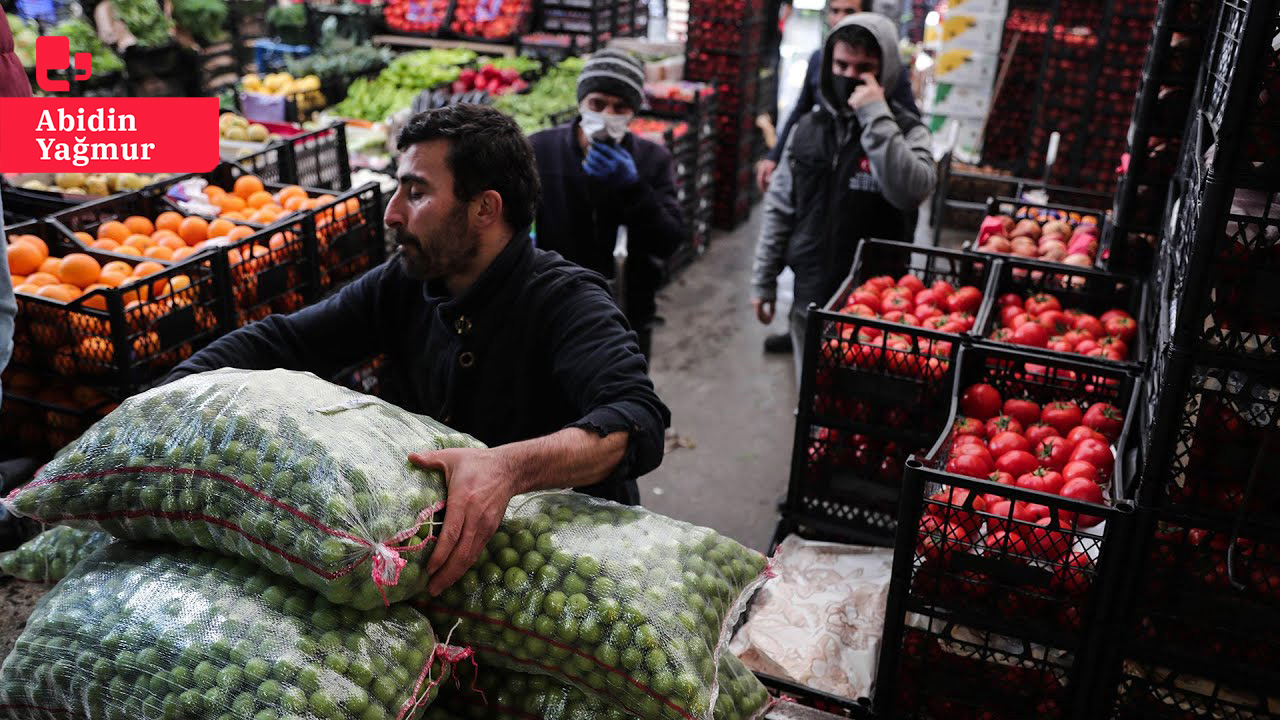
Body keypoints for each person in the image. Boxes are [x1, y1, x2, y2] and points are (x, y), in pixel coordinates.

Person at [165, 104, 672, 595]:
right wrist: (161, 399)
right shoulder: (406, 283)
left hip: (568, 570)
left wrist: (508, 468)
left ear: (484, 209)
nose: (392, 212)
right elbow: (286, 340)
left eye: (417, 193)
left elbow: (635, 421)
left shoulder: (567, 299)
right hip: (449, 563)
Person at [751, 13, 937, 385]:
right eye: (841, 65)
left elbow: (910, 190)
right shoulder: (807, 129)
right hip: (811, 290)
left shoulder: (908, 131)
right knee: (811, 398)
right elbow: (781, 207)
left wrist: (875, 116)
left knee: (859, 398)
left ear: (884, 73)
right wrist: (764, 279)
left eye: (864, 68)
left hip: (875, 301)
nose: (849, 75)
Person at [529, 49, 686, 362]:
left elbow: (669, 240)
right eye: (597, 104)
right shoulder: (540, 149)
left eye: (619, 107)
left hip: (626, 310)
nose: (606, 115)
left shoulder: (652, 160)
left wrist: (633, 187)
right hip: (552, 302)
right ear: (581, 102)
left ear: (633, 112)